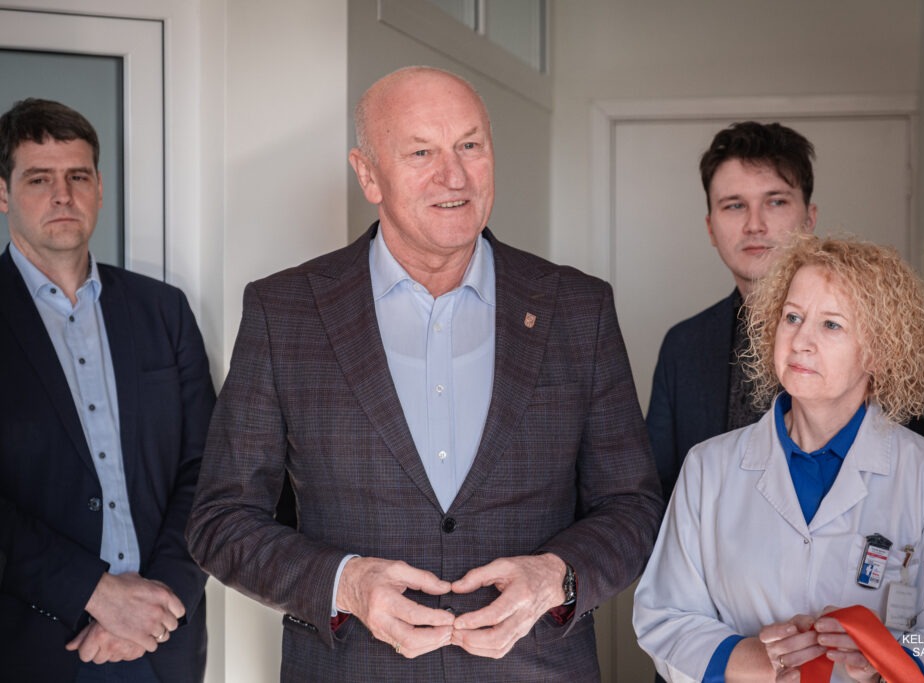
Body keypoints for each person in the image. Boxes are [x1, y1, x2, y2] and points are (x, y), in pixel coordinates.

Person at [186, 66, 662, 682]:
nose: (454, 176)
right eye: (421, 152)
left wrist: (556, 577)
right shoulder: (285, 312)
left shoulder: (577, 307)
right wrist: (345, 584)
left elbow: (633, 508)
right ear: (367, 174)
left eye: (470, 145)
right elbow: (221, 521)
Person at [633, 235, 924, 683]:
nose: (800, 341)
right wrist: (748, 659)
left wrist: (881, 662)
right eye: (792, 317)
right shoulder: (707, 468)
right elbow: (662, 615)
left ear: (878, 351)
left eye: (831, 325)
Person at [0, 99, 215, 682]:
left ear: (99, 188)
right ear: (3, 193)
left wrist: (157, 602)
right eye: (38, 179)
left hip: (163, 644)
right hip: (35, 647)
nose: (62, 195)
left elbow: (209, 471)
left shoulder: (163, 311)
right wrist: (94, 593)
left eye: (78, 176)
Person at [645, 121, 924, 503]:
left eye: (776, 201)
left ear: (809, 218)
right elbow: (657, 490)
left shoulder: (881, 334)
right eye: (734, 205)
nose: (754, 225)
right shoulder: (682, 346)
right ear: (711, 228)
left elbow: (906, 477)